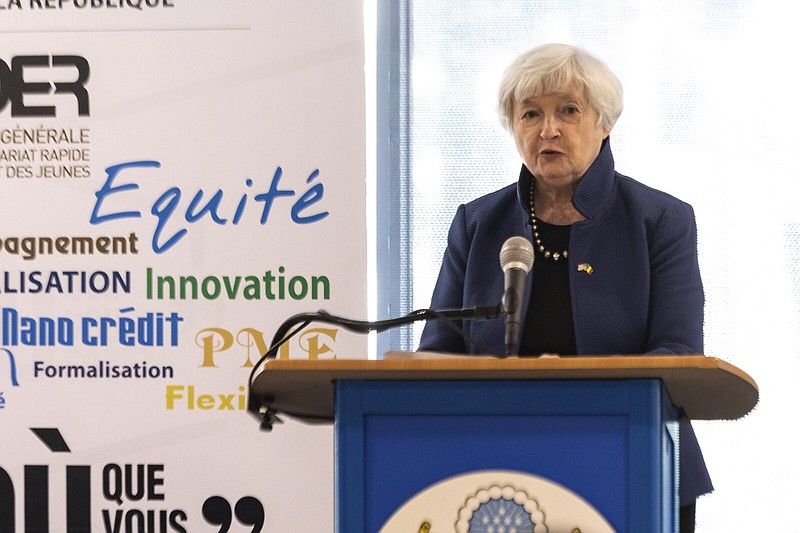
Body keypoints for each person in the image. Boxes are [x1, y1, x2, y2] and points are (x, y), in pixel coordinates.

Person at [417, 43, 712, 532]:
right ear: (513, 126)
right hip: (490, 471)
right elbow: (439, 351)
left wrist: (575, 377)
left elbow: (678, 351)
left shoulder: (661, 220)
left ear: (605, 122)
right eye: (530, 113)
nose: (547, 130)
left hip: (636, 459)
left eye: (568, 111)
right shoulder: (477, 223)